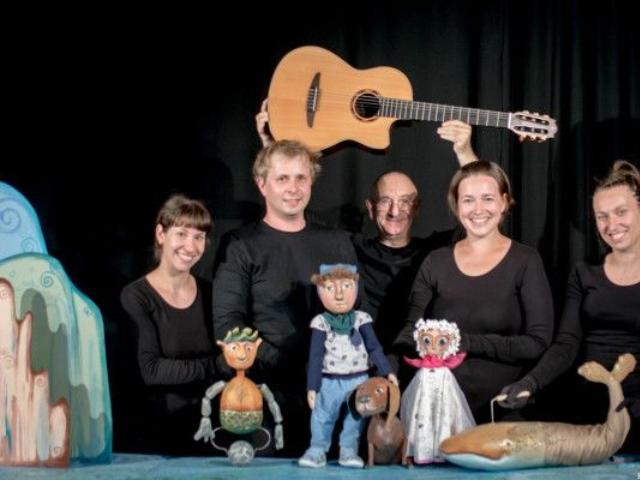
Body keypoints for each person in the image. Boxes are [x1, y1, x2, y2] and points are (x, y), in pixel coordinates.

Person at [256, 98, 480, 359]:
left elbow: (478, 219)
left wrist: (465, 153)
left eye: (405, 202)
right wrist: (271, 146)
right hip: (359, 362)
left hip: (421, 362)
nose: (395, 211)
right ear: (371, 208)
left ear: (416, 207)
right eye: (385, 201)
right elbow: (292, 209)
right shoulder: (348, 247)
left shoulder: (434, 251)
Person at [212, 140, 359, 456]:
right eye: (282, 178)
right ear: (261, 184)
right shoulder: (240, 245)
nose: (293, 188)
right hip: (266, 395)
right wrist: (288, 364)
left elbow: (358, 313)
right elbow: (228, 325)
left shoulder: (337, 242)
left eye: (301, 178)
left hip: (331, 393)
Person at [393, 160, 554, 423]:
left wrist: (462, 342)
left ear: (504, 202)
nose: (478, 209)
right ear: (456, 206)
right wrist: (387, 368)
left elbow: (537, 342)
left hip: (501, 407)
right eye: (468, 200)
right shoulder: (436, 262)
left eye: (488, 198)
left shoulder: (525, 261)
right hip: (440, 410)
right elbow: (410, 332)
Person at [498, 160, 640, 452]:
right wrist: (530, 383)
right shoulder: (584, 273)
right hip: (590, 412)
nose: (611, 225)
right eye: (602, 216)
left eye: (621, 212)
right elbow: (566, 343)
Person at [120, 194, 217, 455]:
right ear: (161, 234)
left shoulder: (211, 293)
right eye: (181, 234)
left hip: (209, 431)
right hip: (154, 437)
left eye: (199, 237)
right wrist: (215, 366)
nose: (191, 246)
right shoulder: (135, 296)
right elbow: (151, 371)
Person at [298, 264, 397, 469]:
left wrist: (387, 371)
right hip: (329, 380)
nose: (339, 295)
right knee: (322, 416)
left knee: (355, 417)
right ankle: (317, 449)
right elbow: (315, 356)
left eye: (346, 286)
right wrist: (312, 386)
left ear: (355, 287)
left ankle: (349, 450)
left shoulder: (361, 319)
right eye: (331, 288)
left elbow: (374, 348)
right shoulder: (321, 323)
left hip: (358, 381)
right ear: (320, 291)